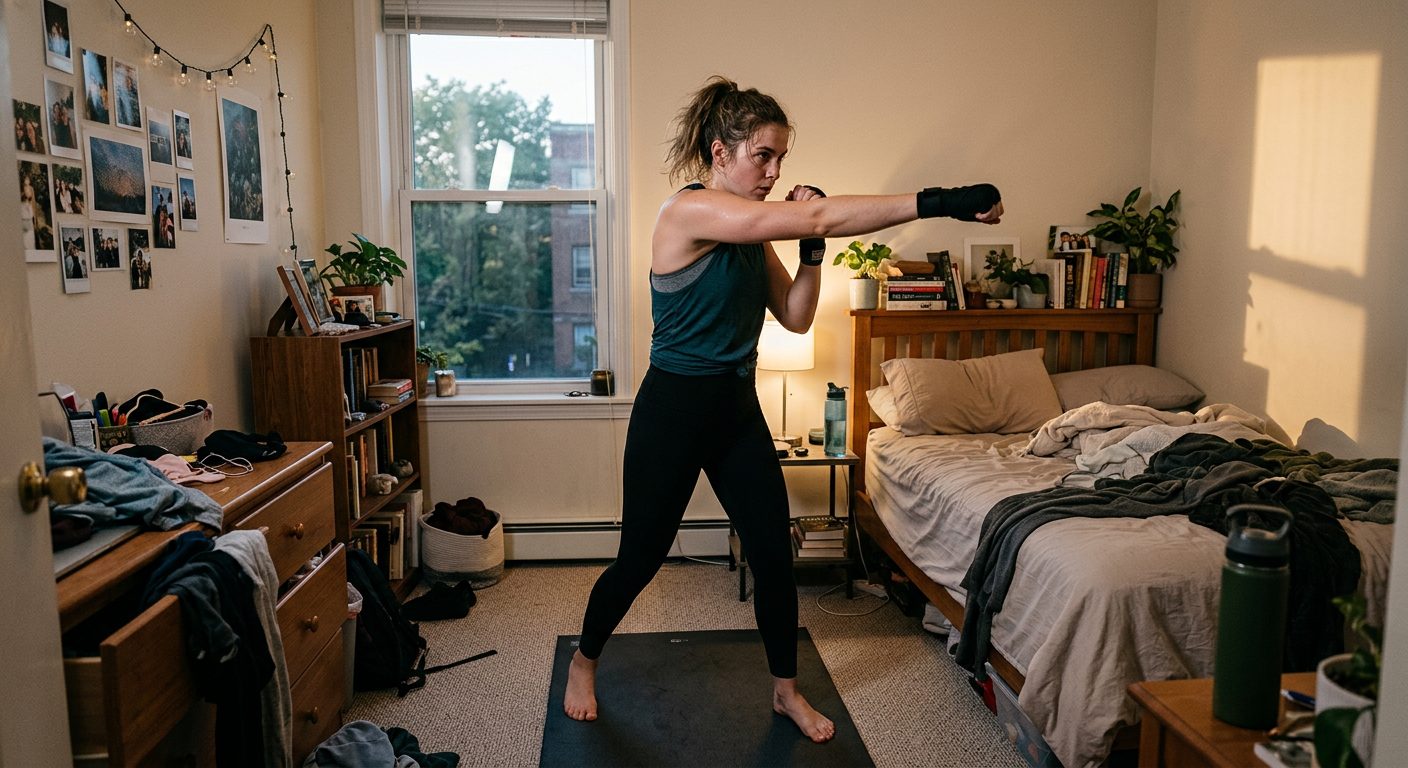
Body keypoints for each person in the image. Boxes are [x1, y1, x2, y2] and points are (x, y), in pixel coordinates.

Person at [563, 75, 1003, 743]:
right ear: (720, 152)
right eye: (762, 155)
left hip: (736, 407)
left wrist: (814, 253)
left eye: (780, 159)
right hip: (674, 410)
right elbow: (819, 213)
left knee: (772, 552)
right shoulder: (687, 213)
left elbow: (796, 317)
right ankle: (584, 661)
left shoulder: (751, 236)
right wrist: (944, 200)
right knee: (641, 558)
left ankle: (785, 693)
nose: (773, 172)